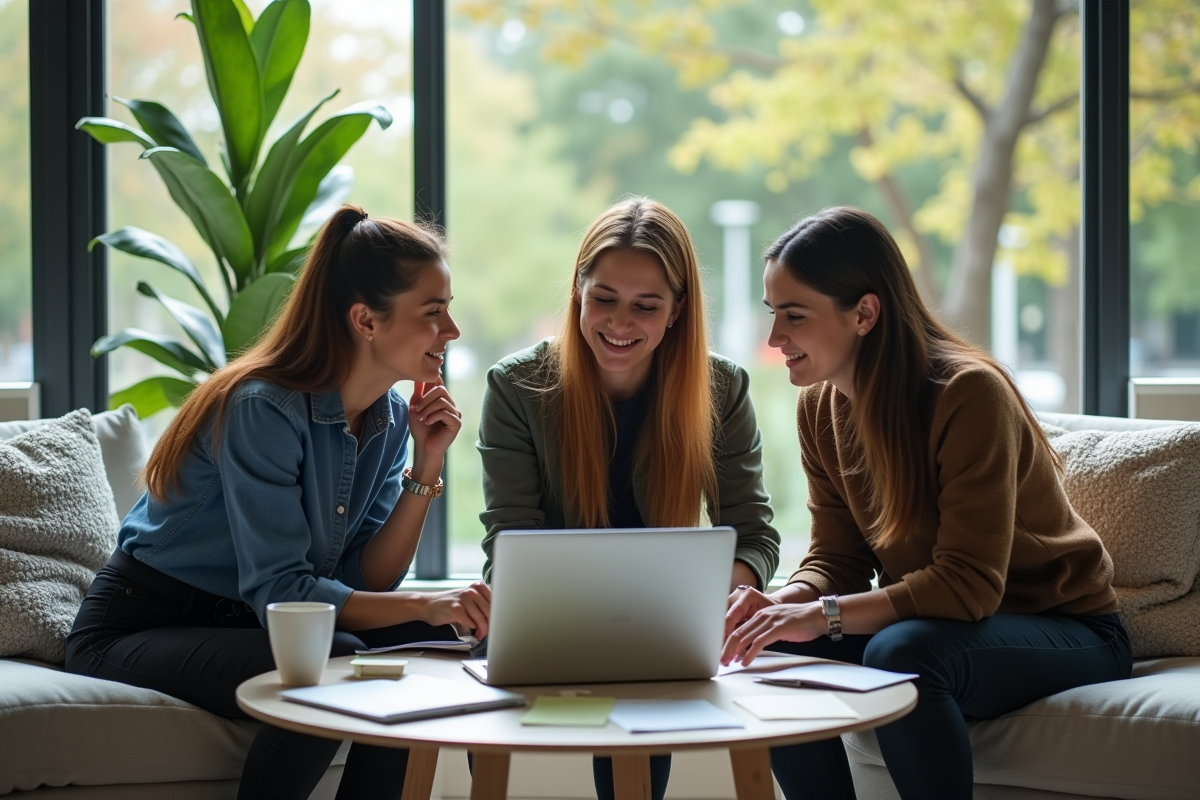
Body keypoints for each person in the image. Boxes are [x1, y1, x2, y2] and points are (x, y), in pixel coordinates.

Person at [65, 205, 491, 800]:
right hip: (141, 622)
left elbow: (367, 575)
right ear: (366, 320)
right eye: (433, 312)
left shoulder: (393, 418)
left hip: (257, 621)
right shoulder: (262, 409)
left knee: (432, 656)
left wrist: (427, 464)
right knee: (323, 660)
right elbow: (286, 593)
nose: (452, 330)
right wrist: (427, 604)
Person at [722, 207, 1131, 799]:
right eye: (773, 315)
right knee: (772, 642)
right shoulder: (820, 408)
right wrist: (781, 606)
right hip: (943, 623)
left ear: (864, 313)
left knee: (901, 652)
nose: (774, 338)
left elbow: (967, 586)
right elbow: (837, 561)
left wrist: (822, 615)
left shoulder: (968, 394)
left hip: (1067, 629)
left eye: (794, 316)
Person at [476, 197, 781, 800]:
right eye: (604, 299)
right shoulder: (516, 387)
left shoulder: (722, 387)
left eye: (647, 306)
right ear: (577, 292)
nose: (620, 324)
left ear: (677, 312)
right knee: (494, 677)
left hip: (668, 627)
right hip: (555, 620)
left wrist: (716, 600)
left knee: (653, 688)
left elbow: (753, 534)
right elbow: (507, 541)